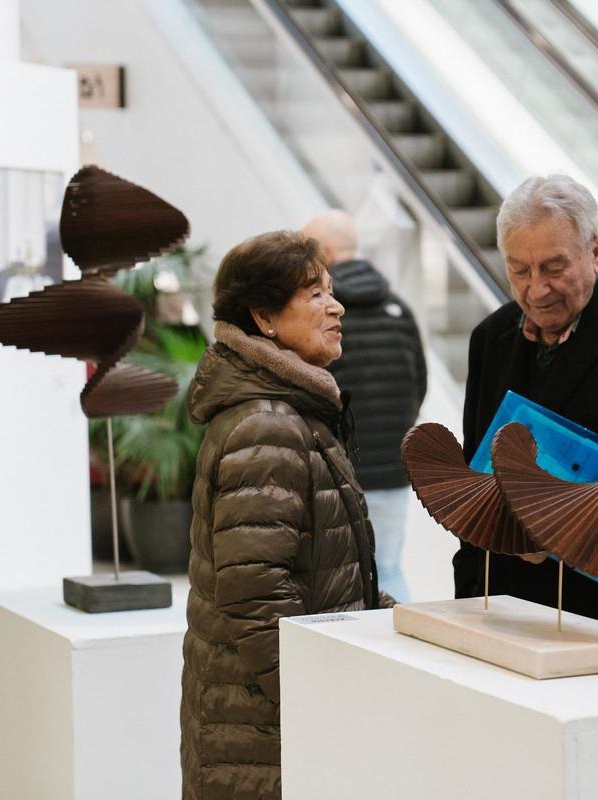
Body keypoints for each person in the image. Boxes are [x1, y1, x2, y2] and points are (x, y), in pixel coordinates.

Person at [181, 231, 389, 799]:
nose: (336, 306)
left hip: (261, 718)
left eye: (332, 291)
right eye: (315, 294)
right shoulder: (269, 424)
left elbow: (320, 565)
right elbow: (256, 597)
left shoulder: (290, 410)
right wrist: (317, 700)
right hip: (263, 731)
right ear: (264, 317)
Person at [453, 174, 598, 641]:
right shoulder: (489, 338)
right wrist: (470, 595)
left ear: (595, 253)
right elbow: (473, 472)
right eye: (519, 270)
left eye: (554, 267)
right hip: (505, 606)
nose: (537, 289)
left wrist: (558, 530)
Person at [303, 209, 427, 602]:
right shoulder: (399, 308)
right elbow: (418, 382)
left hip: (340, 469)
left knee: (339, 576)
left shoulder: (321, 315)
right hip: (394, 467)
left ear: (323, 251)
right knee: (389, 567)